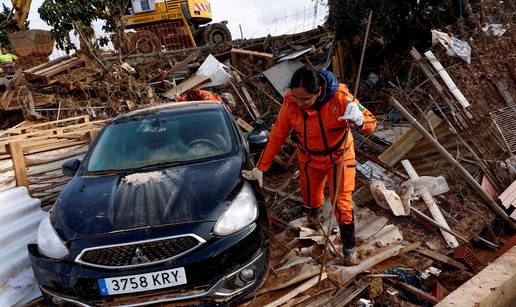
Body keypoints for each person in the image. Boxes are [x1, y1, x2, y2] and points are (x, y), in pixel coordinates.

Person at [242, 66, 377, 265]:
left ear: (319, 92)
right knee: (311, 197)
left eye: (305, 99)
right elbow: (277, 135)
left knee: (342, 203)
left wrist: (358, 118)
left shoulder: (340, 98)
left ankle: (349, 247)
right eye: (296, 97)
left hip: (339, 156)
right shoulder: (290, 104)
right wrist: (261, 167)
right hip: (308, 157)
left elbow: (371, 122)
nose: (300, 103)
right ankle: (314, 225)